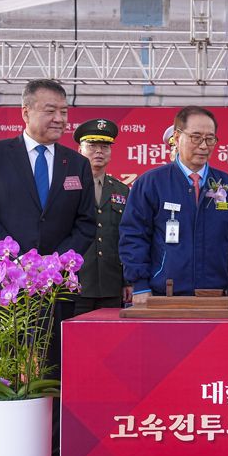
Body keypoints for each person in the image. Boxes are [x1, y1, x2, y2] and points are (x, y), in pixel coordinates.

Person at [0, 78, 95, 456]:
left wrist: (55, 265)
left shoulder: (75, 164)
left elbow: (85, 225)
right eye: (50, 110)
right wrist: (19, 265)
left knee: (55, 370)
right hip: (8, 290)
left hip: (55, 289)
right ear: (26, 112)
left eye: (64, 111)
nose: (60, 118)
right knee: (9, 365)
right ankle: (12, 450)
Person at [119, 106, 228, 305]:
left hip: (216, 296)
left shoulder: (227, 185)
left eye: (210, 139)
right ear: (177, 136)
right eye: (196, 137)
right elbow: (133, 235)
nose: (204, 145)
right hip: (162, 295)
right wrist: (140, 285)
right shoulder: (151, 182)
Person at [72, 118, 132, 315]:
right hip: (75, 282)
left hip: (111, 282)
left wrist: (127, 281)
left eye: (105, 146)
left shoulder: (122, 190)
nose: (99, 151)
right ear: (80, 150)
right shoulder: (66, 186)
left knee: (109, 342)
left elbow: (127, 238)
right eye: (92, 145)